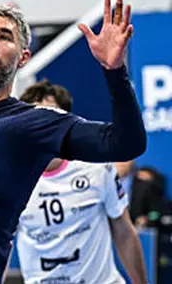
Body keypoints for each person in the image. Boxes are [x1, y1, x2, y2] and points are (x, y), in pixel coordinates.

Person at [0, 0, 147, 283]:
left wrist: (114, 72)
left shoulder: (33, 124)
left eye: (4, 37)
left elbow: (127, 143)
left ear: (24, 57)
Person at [15, 81, 147, 284]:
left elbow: (124, 232)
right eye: (34, 119)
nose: (42, 127)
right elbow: (2, 245)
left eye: (50, 118)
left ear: (66, 123)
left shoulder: (97, 167)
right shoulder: (11, 176)